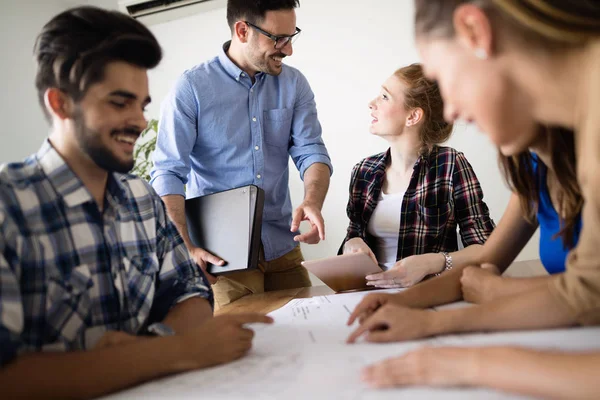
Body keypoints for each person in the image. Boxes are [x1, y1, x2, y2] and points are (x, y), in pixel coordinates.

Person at [0, 7, 271, 399]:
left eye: (142, 105)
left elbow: (189, 294)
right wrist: (168, 351)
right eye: (118, 103)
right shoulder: (9, 206)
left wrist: (145, 349)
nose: (141, 121)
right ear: (60, 104)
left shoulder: (141, 198)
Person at [347, 1, 600, 398]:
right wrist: (412, 307)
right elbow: (584, 291)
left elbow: (583, 297)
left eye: (445, 80)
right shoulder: (550, 147)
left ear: (475, 31)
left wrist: (459, 360)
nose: (451, 112)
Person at [150, 0, 332, 308]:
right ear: (242, 30)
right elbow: (168, 173)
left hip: (283, 245)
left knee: (312, 328)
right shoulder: (191, 88)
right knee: (245, 346)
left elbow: (311, 151)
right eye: (278, 39)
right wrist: (185, 247)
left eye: (291, 36)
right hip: (222, 257)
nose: (288, 50)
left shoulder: (294, 83)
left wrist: (312, 201)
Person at [341, 64, 494, 288]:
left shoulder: (451, 165)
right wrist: (351, 244)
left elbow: (487, 247)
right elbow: (353, 235)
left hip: (430, 294)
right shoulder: (363, 171)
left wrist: (433, 262)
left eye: (385, 96)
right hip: (367, 296)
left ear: (413, 116)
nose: (371, 103)